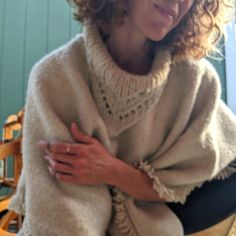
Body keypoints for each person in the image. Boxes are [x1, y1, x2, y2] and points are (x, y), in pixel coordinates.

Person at [9, 0, 236, 235]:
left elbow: (179, 184)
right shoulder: (54, 78)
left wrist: (112, 170)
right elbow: (57, 212)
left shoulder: (195, 83)